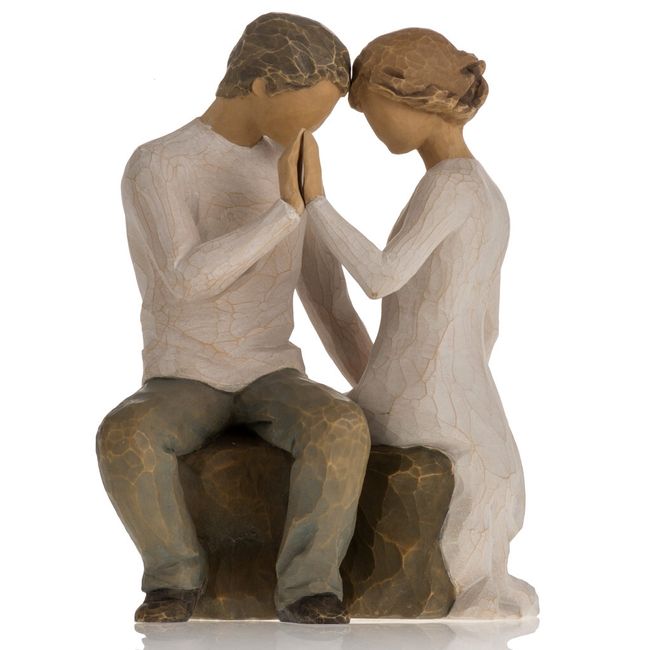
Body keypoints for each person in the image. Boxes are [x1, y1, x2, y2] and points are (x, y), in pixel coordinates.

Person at [95, 13, 372, 625]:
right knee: (125, 434)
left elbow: (330, 303)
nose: (316, 131)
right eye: (311, 111)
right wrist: (285, 212)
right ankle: (173, 579)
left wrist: (377, 390)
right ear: (263, 85)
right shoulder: (159, 164)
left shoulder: (290, 171)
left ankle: (309, 587)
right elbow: (185, 280)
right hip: (183, 375)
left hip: (272, 372)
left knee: (340, 424)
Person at [301, 28, 539, 618]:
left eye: (374, 112)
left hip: (421, 394)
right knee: (496, 470)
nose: (373, 127)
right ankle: (477, 582)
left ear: (412, 98)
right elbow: (488, 322)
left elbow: (382, 276)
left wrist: (316, 201)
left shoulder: (450, 187)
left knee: (484, 472)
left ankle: (465, 587)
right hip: (455, 384)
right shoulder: (484, 191)